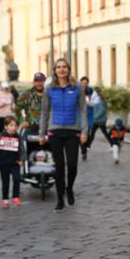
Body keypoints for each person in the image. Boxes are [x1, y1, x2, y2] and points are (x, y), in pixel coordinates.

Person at [39, 58, 88, 212]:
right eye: (58, 67)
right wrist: (42, 133)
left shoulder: (77, 87)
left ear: (68, 69)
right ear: (54, 70)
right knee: (59, 167)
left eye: (64, 67)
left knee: (72, 164)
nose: (61, 69)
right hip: (55, 131)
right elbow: (45, 112)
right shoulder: (49, 89)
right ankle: (60, 199)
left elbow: (83, 110)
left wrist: (84, 131)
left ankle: (69, 188)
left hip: (73, 131)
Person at [0, 115, 26, 208]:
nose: (14, 128)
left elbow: (23, 151)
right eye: (11, 125)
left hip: (15, 163)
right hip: (3, 163)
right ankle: (5, 199)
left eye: (16, 126)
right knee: (5, 182)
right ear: (6, 126)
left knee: (17, 179)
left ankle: (15, 197)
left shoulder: (19, 138)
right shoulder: (0, 137)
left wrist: (22, 160)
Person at [82, 86, 109, 154]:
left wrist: (95, 116)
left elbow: (101, 109)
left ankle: (86, 148)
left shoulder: (99, 100)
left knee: (91, 133)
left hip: (96, 120)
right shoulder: (94, 98)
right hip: (93, 119)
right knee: (91, 133)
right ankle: (86, 148)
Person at [79, 76, 94, 160]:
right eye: (82, 83)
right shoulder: (77, 90)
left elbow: (95, 102)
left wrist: (91, 102)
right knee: (82, 134)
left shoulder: (91, 91)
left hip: (89, 115)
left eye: (85, 83)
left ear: (88, 83)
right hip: (80, 115)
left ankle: (87, 146)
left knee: (89, 134)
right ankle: (83, 151)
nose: (84, 84)